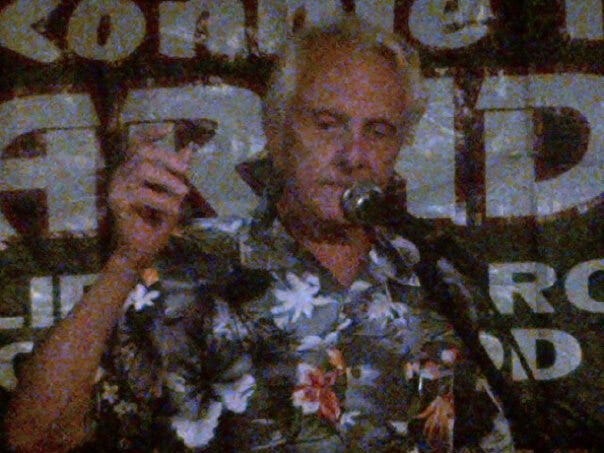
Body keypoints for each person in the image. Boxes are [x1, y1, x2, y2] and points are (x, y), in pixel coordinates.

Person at [5, 16, 513, 452]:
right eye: (327, 124)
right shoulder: (183, 270)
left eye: (378, 131)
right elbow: (36, 438)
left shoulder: (434, 279)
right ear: (275, 130)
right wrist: (125, 264)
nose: (353, 155)